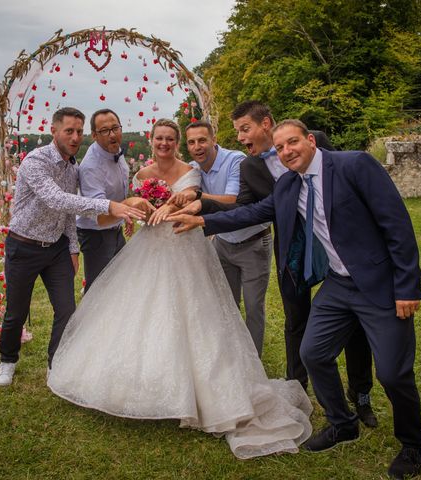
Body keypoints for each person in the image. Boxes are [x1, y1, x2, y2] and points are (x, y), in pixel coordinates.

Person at [168, 119, 421, 479]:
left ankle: (414, 443)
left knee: (392, 372)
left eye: (293, 142)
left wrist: (407, 287)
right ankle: (342, 423)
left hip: (380, 284)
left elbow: (397, 225)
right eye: (280, 148)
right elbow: (254, 212)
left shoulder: (354, 165)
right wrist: (204, 221)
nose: (287, 151)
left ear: (310, 140)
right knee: (313, 353)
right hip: (338, 285)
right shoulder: (289, 184)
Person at [47, 119, 313, 459]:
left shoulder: (193, 172)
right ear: (152, 140)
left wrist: (176, 205)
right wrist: (143, 208)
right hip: (149, 248)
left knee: (197, 314)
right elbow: (136, 210)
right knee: (141, 312)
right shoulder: (141, 174)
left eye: (171, 139)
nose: (164, 144)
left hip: (186, 245)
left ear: (178, 143)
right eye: (159, 138)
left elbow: (203, 202)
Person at [173, 101, 377, 428]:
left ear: (265, 123)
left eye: (245, 129)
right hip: (293, 249)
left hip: (339, 244)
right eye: (238, 131)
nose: (240, 138)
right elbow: (246, 209)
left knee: (354, 320)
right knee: (297, 319)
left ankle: (361, 393)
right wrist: (202, 210)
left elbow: (343, 182)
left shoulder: (315, 139)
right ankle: (299, 388)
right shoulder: (251, 167)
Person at [0, 107, 145, 387]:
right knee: (17, 310)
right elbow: (57, 200)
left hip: (57, 250)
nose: (74, 137)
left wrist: (73, 248)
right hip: (24, 246)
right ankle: (7, 360)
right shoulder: (36, 162)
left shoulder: (73, 168)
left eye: (78, 132)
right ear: (54, 131)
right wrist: (111, 206)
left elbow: (67, 216)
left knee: (66, 310)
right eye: (69, 131)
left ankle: (56, 363)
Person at [171, 120, 271, 356]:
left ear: (214, 140)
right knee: (227, 303)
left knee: (254, 307)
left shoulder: (235, 160)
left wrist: (197, 195)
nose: (198, 146)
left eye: (203, 140)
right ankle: (232, 355)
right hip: (223, 244)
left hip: (253, 241)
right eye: (192, 142)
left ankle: (252, 359)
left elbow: (234, 200)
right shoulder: (193, 169)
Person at [76, 108, 129, 292]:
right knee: (99, 290)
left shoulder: (116, 151)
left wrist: (125, 217)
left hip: (115, 229)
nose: (112, 134)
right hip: (96, 234)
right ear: (94, 136)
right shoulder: (91, 166)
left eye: (116, 128)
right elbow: (100, 216)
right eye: (105, 131)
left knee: (121, 282)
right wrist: (129, 209)